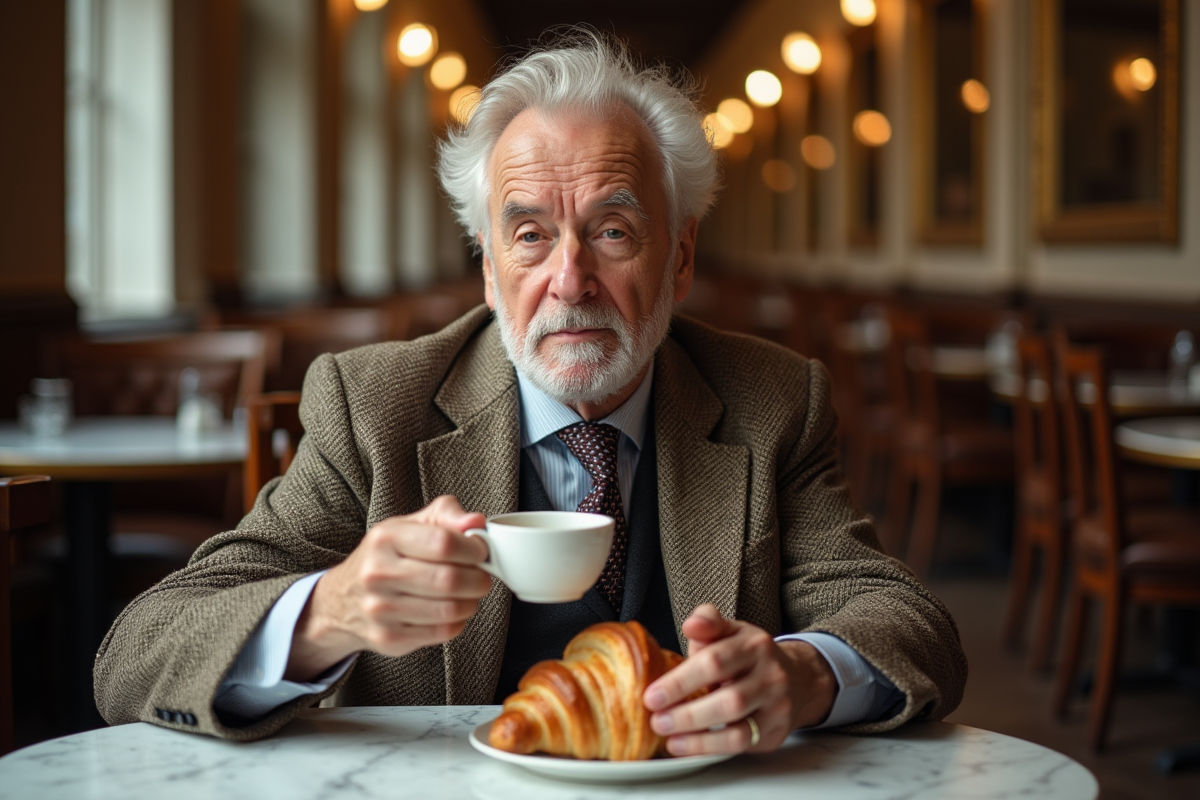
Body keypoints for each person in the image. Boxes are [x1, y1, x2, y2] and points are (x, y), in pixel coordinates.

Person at [95, 30, 966, 754]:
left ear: (683, 257)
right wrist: (330, 610)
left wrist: (802, 675)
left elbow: (907, 620)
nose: (570, 279)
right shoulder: (374, 408)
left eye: (613, 231)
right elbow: (135, 653)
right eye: (529, 235)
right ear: (486, 268)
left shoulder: (773, 400)